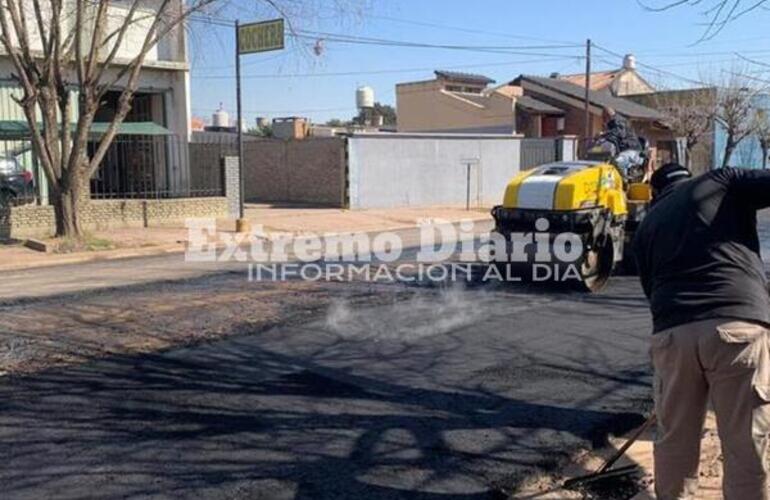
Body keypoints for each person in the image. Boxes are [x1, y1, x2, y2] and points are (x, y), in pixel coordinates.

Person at [633, 163, 770, 500]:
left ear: (656, 192)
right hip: (735, 326)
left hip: (672, 335)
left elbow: (651, 291)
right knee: (743, 440)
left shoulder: (647, 225)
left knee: (675, 441)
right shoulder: (721, 181)